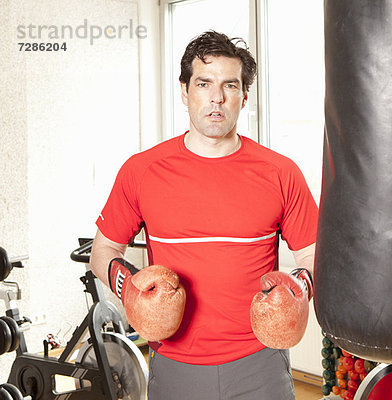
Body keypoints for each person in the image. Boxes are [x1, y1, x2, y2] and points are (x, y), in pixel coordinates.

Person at [89, 30, 319, 400]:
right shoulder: (141, 171)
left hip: (260, 362)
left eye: (230, 85)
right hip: (175, 364)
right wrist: (127, 287)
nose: (217, 98)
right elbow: (103, 252)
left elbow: (312, 255)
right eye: (204, 83)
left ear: (244, 96)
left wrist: (300, 287)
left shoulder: (280, 172)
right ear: (184, 91)